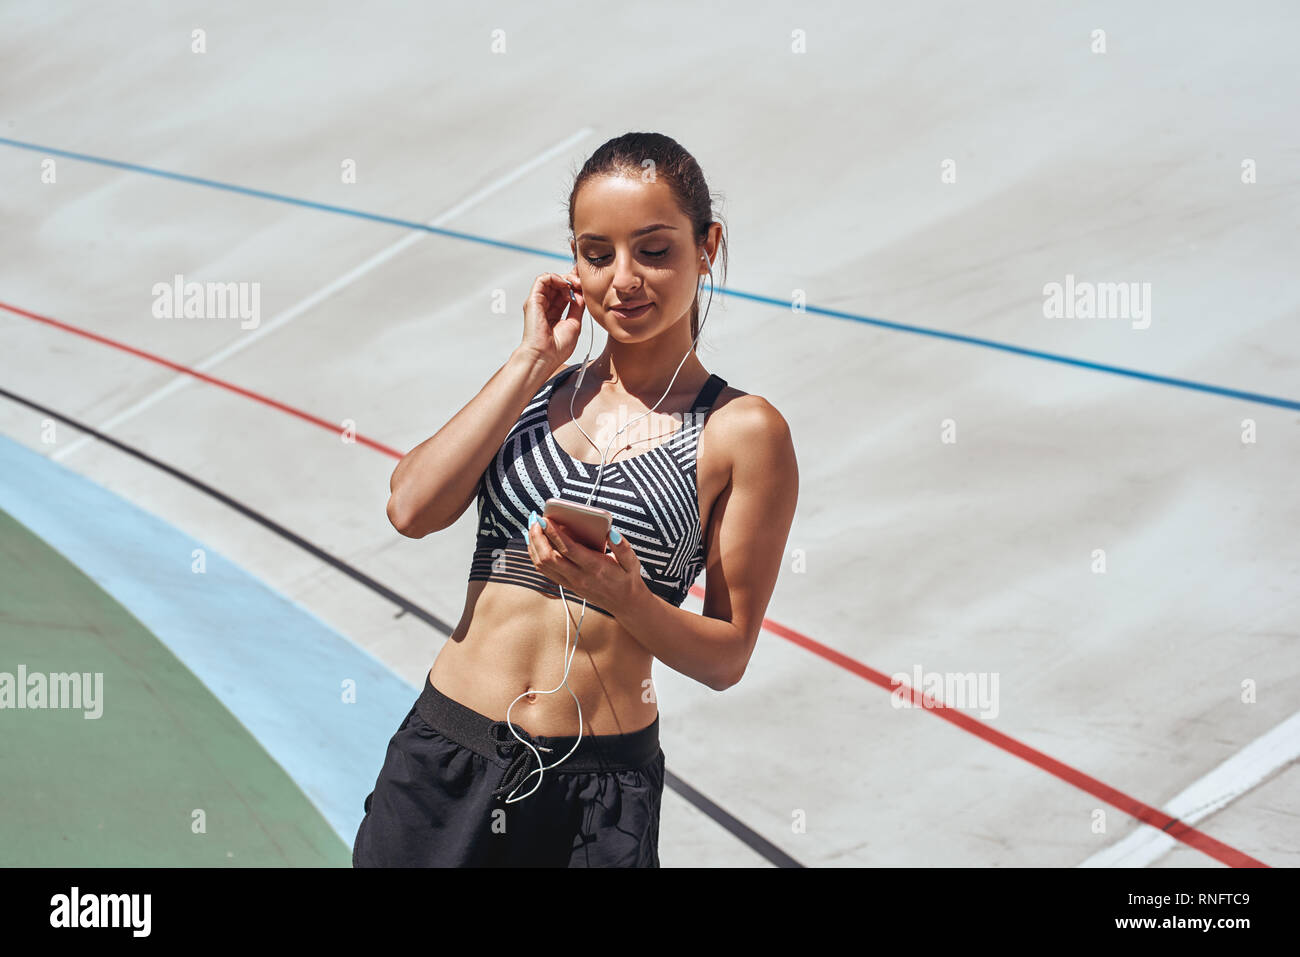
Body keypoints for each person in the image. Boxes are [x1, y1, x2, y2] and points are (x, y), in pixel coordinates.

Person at [352, 131, 799, 867]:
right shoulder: (538, 389)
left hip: (595, 799)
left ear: (706, 245)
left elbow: (728, 656)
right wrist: (530, 358)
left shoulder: (741, 430)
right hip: (445, 760)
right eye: (598, 253)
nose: (623, 279)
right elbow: (410, 507)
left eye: (654, 251)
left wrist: (627, 598)